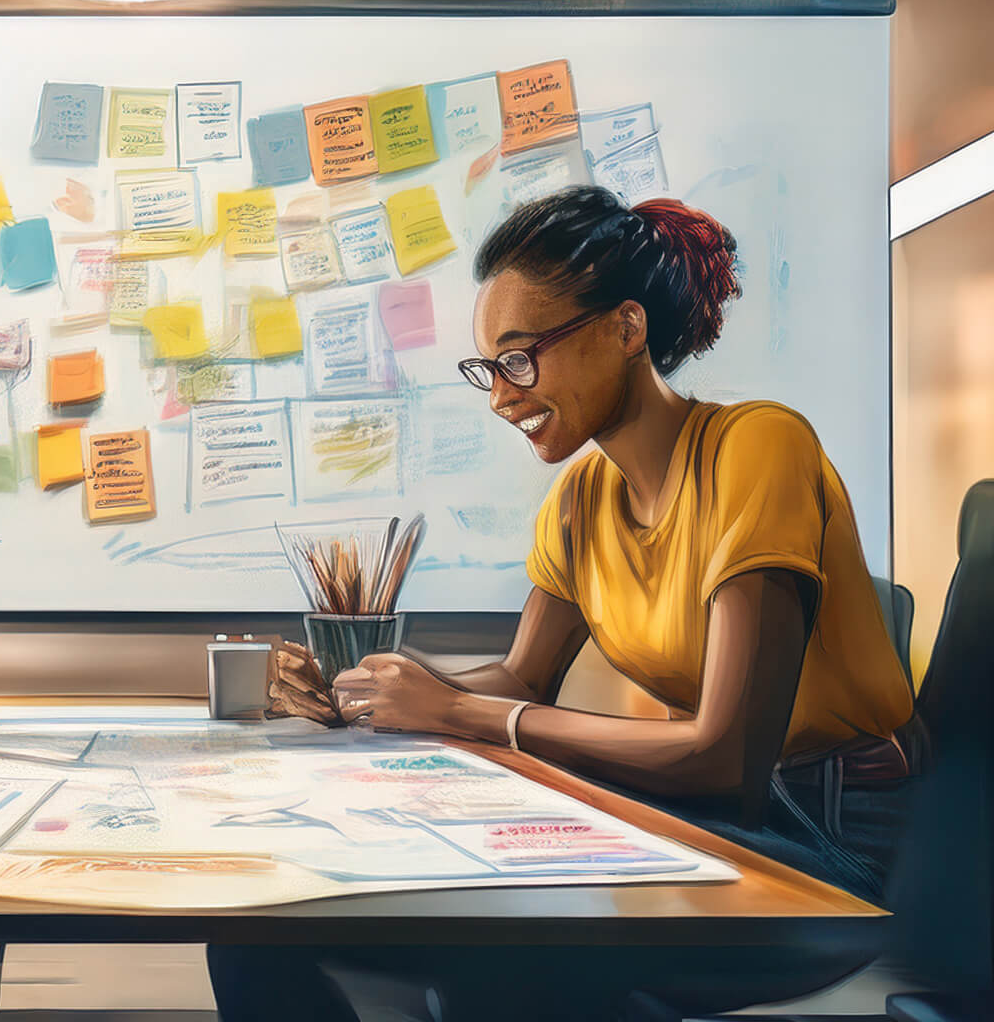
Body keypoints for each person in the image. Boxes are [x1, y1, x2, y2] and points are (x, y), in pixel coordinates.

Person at [212, 186, 919, 1021]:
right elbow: (521, 677)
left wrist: (461, 715)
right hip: (703, 812)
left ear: (625, 330)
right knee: (259, 919)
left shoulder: (757, 449)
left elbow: (727, 759)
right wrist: (368, 693)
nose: (502, 396)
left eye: (521, 358)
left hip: (826, 847)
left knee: (507, 937)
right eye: (490, 368)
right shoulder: (584, 496)